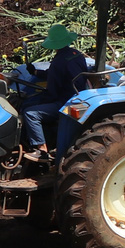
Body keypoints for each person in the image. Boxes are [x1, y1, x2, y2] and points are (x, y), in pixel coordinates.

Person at [22, 24, 90, 156]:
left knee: (29, 112)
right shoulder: (77, 54)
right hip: (80, 96)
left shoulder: (58, 62)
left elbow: (52, 91)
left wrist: (40, 100)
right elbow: (57, 74)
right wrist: (37, 72)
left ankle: (41, 150)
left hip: (66, 102)